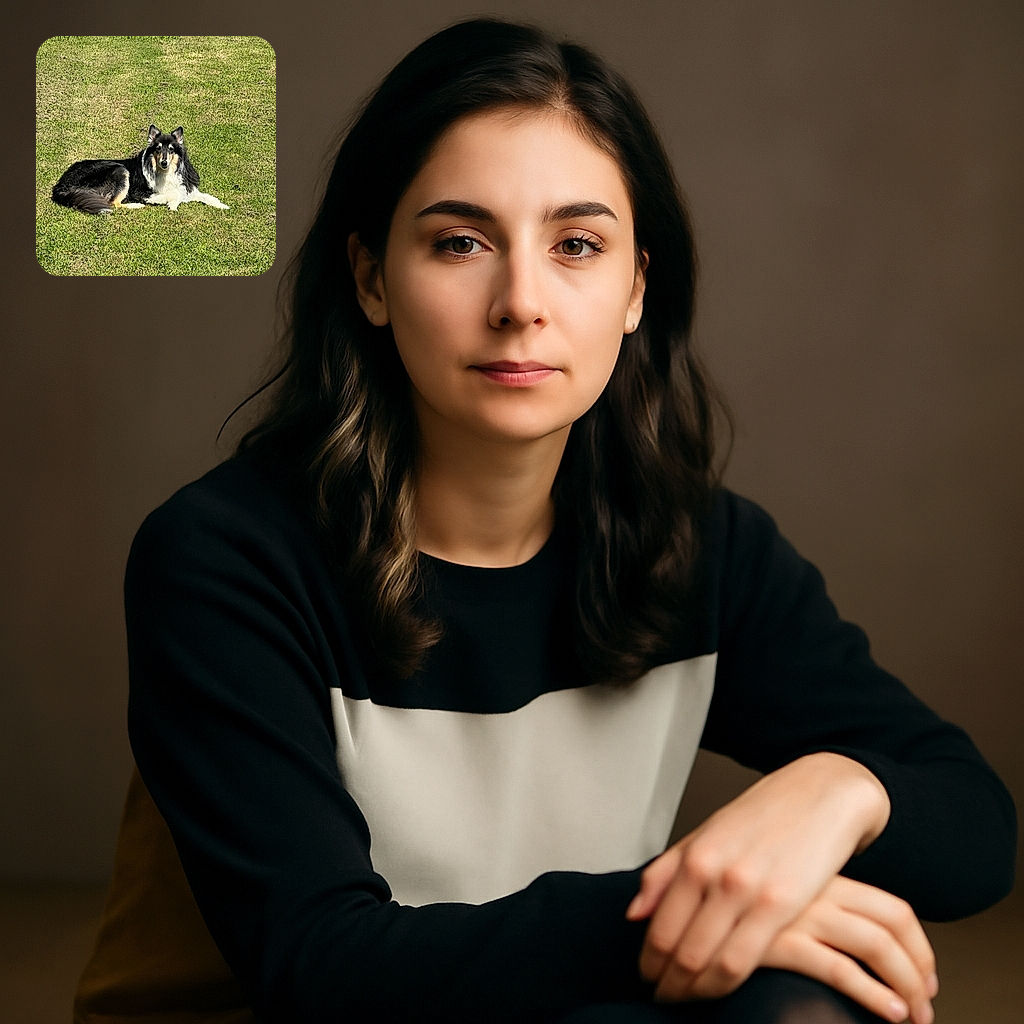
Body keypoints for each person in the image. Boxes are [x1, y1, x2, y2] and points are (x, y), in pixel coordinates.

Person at [73, 18, 1015, 1024]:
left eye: (576, 244)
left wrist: (838, 789)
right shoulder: (226, 557)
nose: (520, 301)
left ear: (635, 287)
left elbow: (975, 829)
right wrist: (689, 910)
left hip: (545, 1007)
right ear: (371, 279)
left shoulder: (700, 549)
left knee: (802, 992)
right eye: (459, 242)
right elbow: (318, 966)